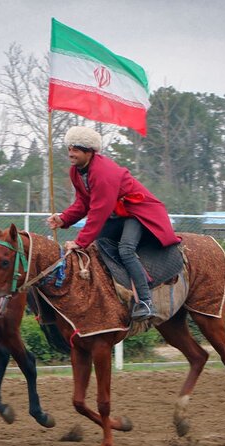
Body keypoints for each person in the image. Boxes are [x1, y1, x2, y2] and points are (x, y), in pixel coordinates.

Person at [46, 126, 180, 322]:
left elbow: (99, 211)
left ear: (89, 152)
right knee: (98, 247)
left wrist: (79, 241)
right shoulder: (76, 172)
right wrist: (63, 218)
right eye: (69, 149)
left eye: (75, 149)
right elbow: (84, 203)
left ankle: (144, 301)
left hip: (138, 212)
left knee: (125, 249)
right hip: (117, 215)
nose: (70, 154)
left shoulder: (103, 172)